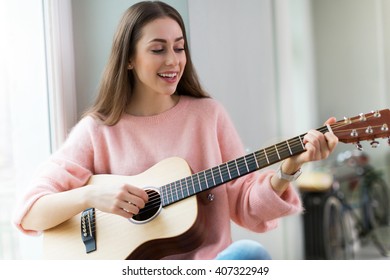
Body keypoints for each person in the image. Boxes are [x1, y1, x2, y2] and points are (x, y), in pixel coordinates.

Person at [14, 1, 338, 260]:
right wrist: (91, 195)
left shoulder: (207, 115)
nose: (173, 60)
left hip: (209, 266)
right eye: (158, 49)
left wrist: (290, 168)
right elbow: (30, 212)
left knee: (248, 254)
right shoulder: (98, 130)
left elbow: (247, 205)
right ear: (128, 58)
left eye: (179, 47)